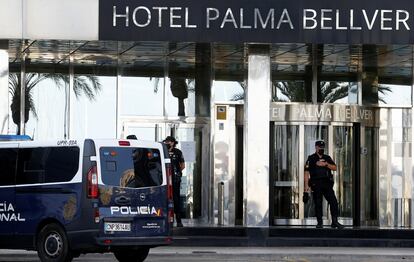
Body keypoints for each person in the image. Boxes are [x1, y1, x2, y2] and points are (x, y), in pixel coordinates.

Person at [304, 140, 344, 229]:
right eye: (320, 147)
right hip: (316, 183)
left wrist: (325, 164)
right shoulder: (311, 158)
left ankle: (334, 221)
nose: (321, 149)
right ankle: (319, 223)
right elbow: (306, 173)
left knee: (333, 201)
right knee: (318, 203)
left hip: (326, 183)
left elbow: (335, 167)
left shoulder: (327, 158)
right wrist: (306, 188)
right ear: (316, 147)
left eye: (322, 147)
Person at [163, 136, 185, 227]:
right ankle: (167, 220)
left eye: (169, 142)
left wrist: (176, 173)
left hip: (175, 179)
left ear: (173, 142)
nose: (168, 143)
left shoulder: (178, 152)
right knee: (165, 199)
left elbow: (182, 165)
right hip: (165, 180)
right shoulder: (163, 151)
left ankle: (179, 220)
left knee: (176, 199)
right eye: (166, 142)